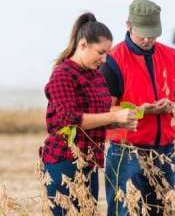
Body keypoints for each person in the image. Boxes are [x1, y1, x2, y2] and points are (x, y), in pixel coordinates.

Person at [100, 0, 175, 216]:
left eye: (153, 34)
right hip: (126, 153)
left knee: (163, 211)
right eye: (143, 34)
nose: (148, 39)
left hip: (165, 153)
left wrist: (172, 106)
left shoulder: (172, 56)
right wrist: (141, 111)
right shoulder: (112, 60)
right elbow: (104, 111)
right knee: (122, 212)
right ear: (128, 25)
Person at [40, 12, 137, 216]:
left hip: (90, 163)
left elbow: (97, 116)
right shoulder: (62, 74)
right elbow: (70, 119)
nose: (104, 59)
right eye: (100, 52)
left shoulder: (96, 76)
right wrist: (113, 117)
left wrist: (120, 121)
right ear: (83, 44)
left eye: (107, 54)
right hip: (64, 162)